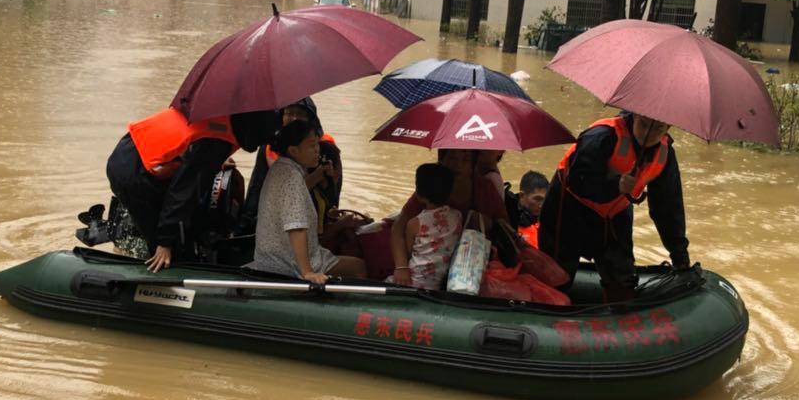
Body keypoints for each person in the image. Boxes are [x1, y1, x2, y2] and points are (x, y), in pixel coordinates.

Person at [538, 110, 690, 302]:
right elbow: (578, 180)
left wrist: (679, 255)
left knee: (622, 278)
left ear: (668, 129)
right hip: (569, 209)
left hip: (615, 214)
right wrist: (615, 185)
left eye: (658, 128)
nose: (648, 133)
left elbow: (668, 207)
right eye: (643, 124)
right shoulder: (602, 136)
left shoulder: (665, 155)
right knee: (557, 276)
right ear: (635, 116)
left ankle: (620, 311)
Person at [106, 106, 275, 273]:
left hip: (133, 149)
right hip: (134, 172)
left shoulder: (219, 110)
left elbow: (191, 144)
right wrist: (165, 242)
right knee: (172, 252)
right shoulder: (214, 143)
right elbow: (183, 192)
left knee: (184, 229)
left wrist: (214, 162)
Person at [252, 119, 367, 284]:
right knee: (358, 267)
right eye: (312, 146)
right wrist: (307, 272)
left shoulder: (282, 168)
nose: (317, 151)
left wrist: (318, 174)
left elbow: (297, 192)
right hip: (286, 263)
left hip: (273, 256)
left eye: (317, 144)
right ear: (293, 150)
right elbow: (296, 228)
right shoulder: (292, 178)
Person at [388, 149, 506, 286]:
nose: (458, 165)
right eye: (453, 157)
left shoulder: (485, 188)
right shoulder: (429, 187)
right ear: (442, 160)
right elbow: (398, 226)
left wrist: (486, 223)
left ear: (473, 164)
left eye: (466, 159)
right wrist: (401, 267)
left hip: (472, 268)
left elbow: (504, 224)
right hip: (431, 271)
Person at [402, 163, 463, 290]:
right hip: (443, 282)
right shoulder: (457, 216)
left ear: (419, 194)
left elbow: (408, 252)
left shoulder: (414, 223)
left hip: (415, 282)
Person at [505, 170, 548, 247]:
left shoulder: (549, 222)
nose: (541, 205)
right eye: (537, 199)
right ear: (522, 196)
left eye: (544, 200)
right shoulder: (509, 220)